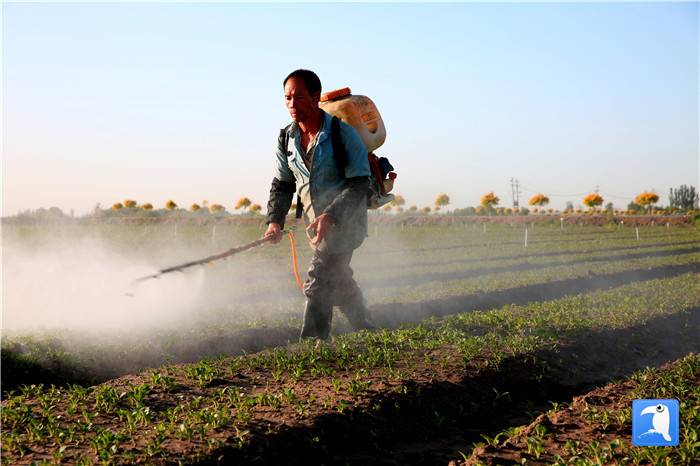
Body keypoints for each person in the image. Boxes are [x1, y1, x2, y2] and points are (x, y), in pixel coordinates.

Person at [264, 69, 375, 341]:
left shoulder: (342, 135)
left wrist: (331, 214)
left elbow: (360, 182)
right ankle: (364, 325)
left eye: (299, 96)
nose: (292, 103)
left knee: (319, 278)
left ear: (315, 98)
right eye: (287, 98)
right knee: (338, 278)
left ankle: (313, 341)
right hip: (317, 226)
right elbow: (282, 184)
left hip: (347, 222)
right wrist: (274, 221)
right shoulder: (286, 139)